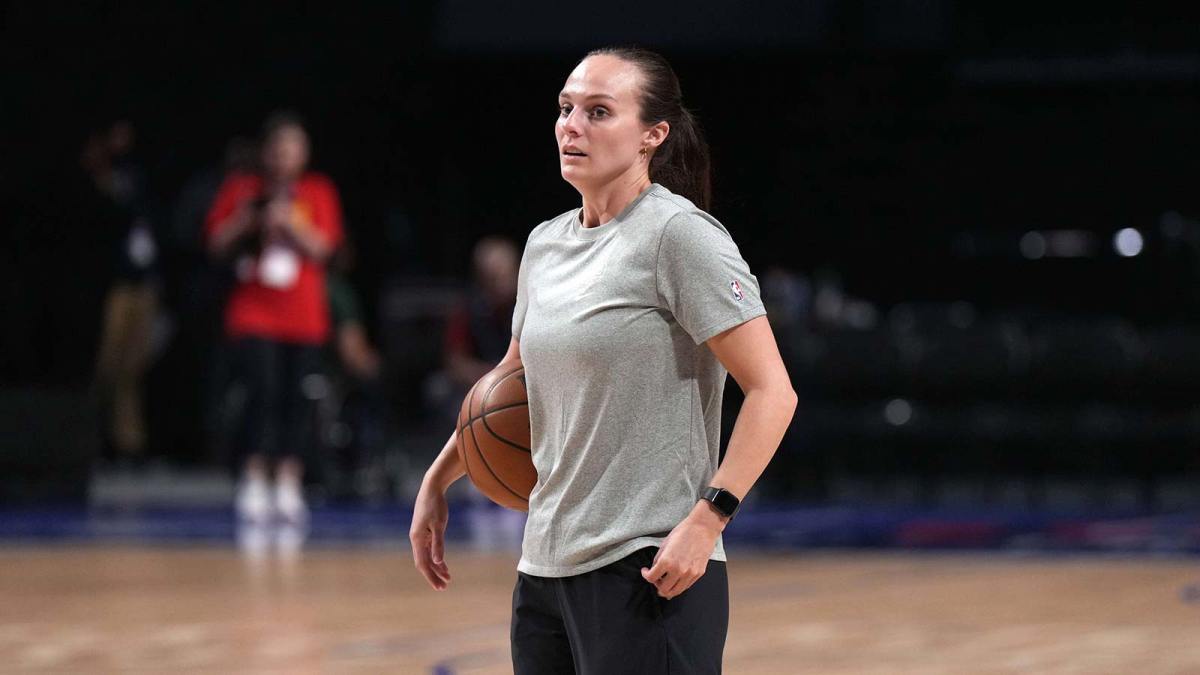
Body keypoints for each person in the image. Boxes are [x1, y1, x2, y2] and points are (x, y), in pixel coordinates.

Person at [410, 47, 797, 673]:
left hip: (647, 566)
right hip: (544, 569)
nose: (572, 126)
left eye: (598, 112)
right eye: (566, 109)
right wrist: (439, 478)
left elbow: (774, 392)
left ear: (653, 135)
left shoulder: (680, 236)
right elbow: (515, 387)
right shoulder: (543, 244)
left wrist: (708, 521)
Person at [205, 112, 344, 523]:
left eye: (293, 149)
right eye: (277, 149)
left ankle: (288, 480)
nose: (284, 157)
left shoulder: (317, 191)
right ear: (266, 153)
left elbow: (325, 249)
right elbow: (215, 243)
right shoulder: (243, 189)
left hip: (303, 316)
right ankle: (253, 477)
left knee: (295, 400)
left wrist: (289, 223)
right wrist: (250, 219)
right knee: (259, 394)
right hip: (255, 313)